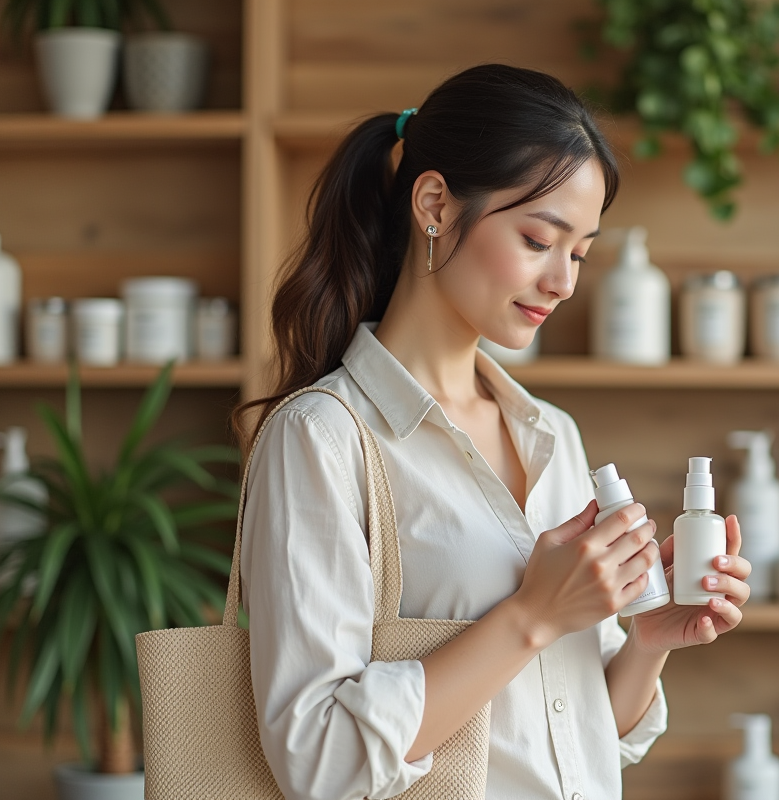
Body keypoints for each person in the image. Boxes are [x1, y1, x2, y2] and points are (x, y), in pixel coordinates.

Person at [234, 64, 751, 800]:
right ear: (436, 204)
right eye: (540, 239)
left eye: (580, 253)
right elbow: (316, 762)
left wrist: (648, 641)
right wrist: (531, 618)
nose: (565, 282)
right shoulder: (322, 439)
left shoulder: (552, 436)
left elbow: (576, 737)